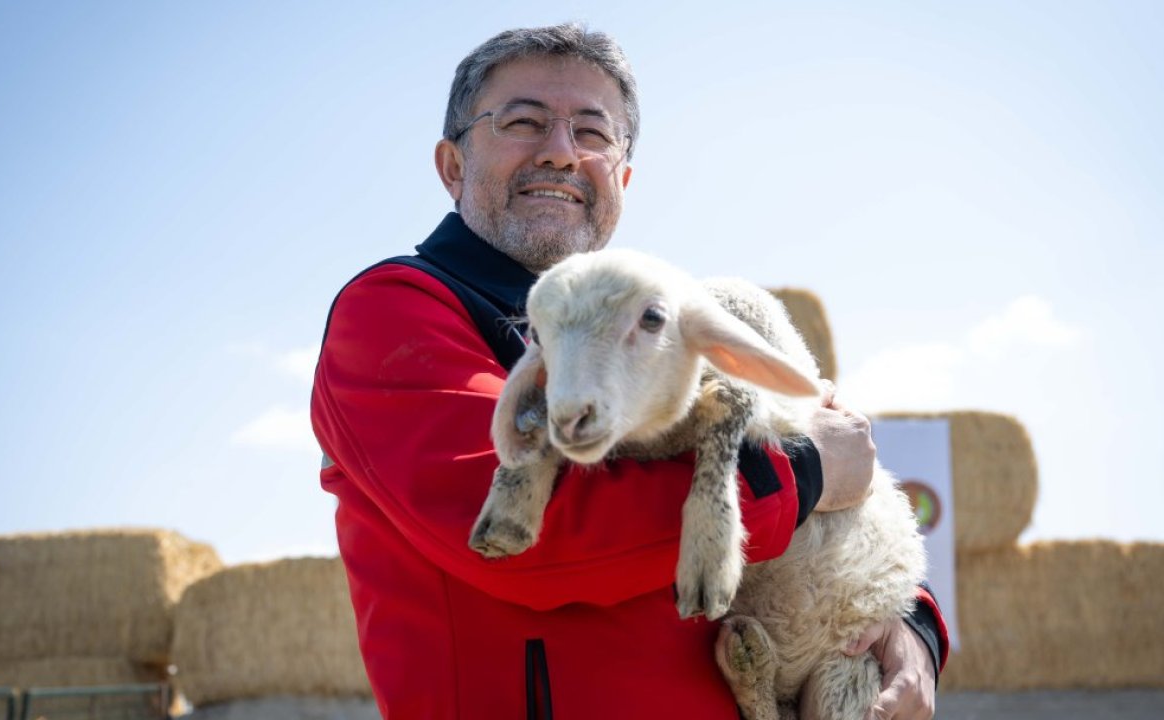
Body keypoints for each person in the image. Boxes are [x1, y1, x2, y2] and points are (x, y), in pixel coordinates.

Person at [312, 23, 947, 720]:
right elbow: (531, 542)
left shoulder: (662, 318)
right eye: (523, 122)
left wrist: (911, 631)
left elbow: (847, 508)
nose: (561, 153)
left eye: (593, 134)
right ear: (452, 165)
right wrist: (805, 473)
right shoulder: (397, 311)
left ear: (622, 178)